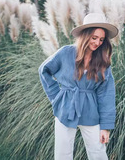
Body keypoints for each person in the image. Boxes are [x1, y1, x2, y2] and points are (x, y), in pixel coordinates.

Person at [38, 13, 118, 160]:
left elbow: (106, 94)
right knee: (62, 154)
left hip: (91, 111)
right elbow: (44, 70)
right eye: (94, 38)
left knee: (98, 152)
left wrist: (105, 127)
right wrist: (57, 97)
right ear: (85, 35)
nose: (97, 43)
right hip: (66, 108)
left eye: (101, 39)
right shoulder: (65, 52)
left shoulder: (103, 62)